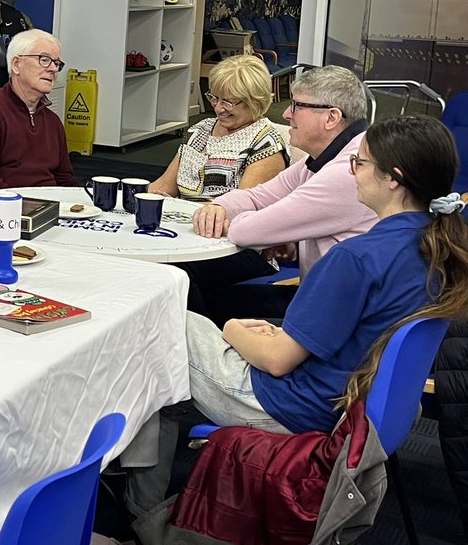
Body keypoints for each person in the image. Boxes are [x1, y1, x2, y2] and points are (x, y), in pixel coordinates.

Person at [186, 113, 468, 435]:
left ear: (393, 178)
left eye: (359, 164)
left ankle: (144, 476)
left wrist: (231, 329)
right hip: (360, 405)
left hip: (299, 409)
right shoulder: (443, 248)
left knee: (173, 323)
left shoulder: (355, 258)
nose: (353, 174)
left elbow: (278, 361)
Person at [187, 65, 377, 322]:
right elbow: (258, 196)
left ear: (331, 117)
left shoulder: (349, 171)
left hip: (339, 317)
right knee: (214, 301)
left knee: (199, 301)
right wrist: (217, 208)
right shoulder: (327, 158)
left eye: (298, 106)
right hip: (327, 299)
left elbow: (249, 231)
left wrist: (232, 221)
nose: (287, 114)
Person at [0, 28, 79, 199]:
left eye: (57, 63)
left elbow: (64, 179)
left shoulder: (53, 121)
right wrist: (34, 209)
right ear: (16, 64)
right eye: (44, 60)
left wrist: (87, 202)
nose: (53, 69)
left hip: (46, 210)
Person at [148, 53, 288, 200]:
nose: (218, 108)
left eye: (228, 102)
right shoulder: (201, 129)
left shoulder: (266, 144)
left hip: (223, 221)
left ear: (255, 101)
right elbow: (163, 187)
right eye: (214, 98)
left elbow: (240, 206)